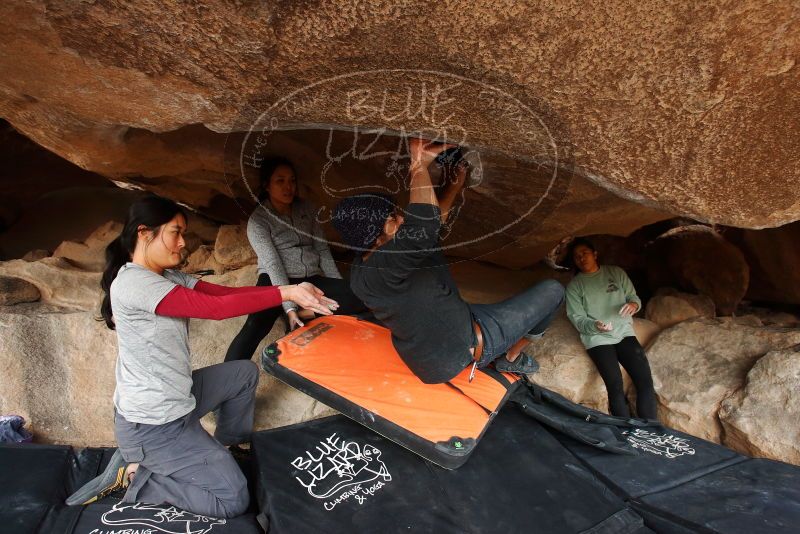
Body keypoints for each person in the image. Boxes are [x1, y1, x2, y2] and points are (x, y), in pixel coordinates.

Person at [66, 195, 337, 518]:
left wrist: (288, 293)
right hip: (155, 426)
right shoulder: (134, 284)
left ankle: (231, 446)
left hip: (177, 400)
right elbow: (216, 310)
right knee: (233, 499)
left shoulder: (166, 277)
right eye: (175, 232)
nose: (183, 243)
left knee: (242, 374)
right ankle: (137, 479)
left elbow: (223, 295)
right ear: (144, 233)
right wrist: (287, 292)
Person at [331, 139, 565, 384]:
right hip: (470, 345)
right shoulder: (383, 268)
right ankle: (511, 356)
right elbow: (424, 225)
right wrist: (418, 164)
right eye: (392, 216)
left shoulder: (365, 266)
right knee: (554, 290)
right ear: (376, 235)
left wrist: (452, 185)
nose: (401, 218)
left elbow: (430, 229)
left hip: (433, 354)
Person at [225, 157, 366, 361]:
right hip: (276, 281)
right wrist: (289, 307)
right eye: (280, 181)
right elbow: (273, 264)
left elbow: (322, 250)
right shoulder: (259, 221)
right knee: (255, 325)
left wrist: (338, 285)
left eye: (292, 180)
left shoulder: (306, 209)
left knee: (360, 293)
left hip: (311, 278)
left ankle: (306, 313)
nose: (288, 187)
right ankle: (226, 379)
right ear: (266, 186)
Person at [564, 238, 658, 420]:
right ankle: (624, 434)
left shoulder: (615, 273)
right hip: (597, 339)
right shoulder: (575, 286)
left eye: (585, 253)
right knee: (615, 386)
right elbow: (577, 318)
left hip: (624, 332)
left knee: (645, 382)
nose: (581, 258)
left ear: (595, 254)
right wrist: (595, 325)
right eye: (576, 257)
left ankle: (651, 430)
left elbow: (634, 297)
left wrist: (632, 305)